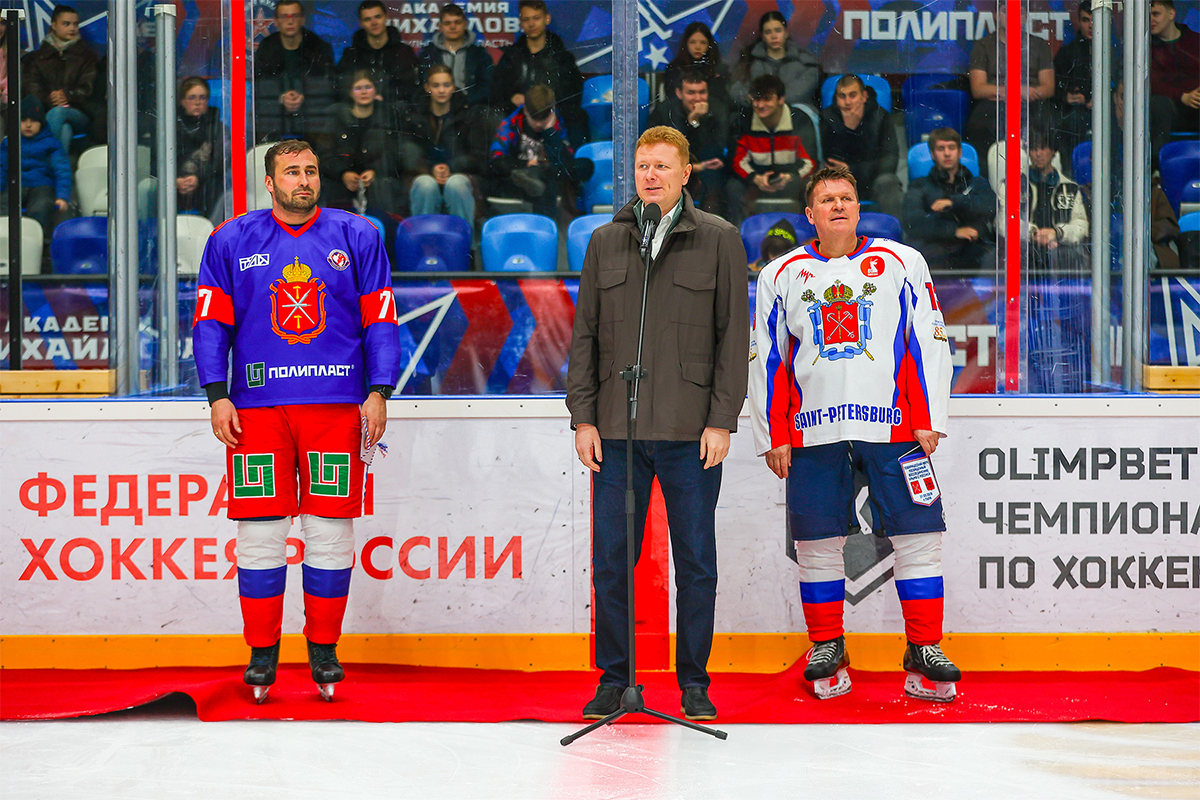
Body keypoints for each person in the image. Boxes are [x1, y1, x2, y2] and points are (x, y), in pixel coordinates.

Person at [192, 139, 401, 703]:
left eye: (310, 170)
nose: (303, 180)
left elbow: (381, 318)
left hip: (337, 407)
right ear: (270, 182)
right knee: (260, 532)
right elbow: (211, 322)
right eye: (291, 172)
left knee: (330, 530)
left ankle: (324, 650)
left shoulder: (357, 234)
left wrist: (380, 390)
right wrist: (216, 394)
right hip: (255, 409)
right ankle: (262, 654)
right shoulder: (230, 239)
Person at [748, 165, 960, 704]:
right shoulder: (780, 274)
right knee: (817, 541)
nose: (838, 206)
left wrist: (930, 417)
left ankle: (924, 647)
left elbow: (929, 339)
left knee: (919, 534)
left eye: (846, 197)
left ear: (859, 207)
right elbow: (767, 358)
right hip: (812, 432)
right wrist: (772, 433)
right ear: (809, 214)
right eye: (827, 200)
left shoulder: (901, 261)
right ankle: (827, 644)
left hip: (895, 427)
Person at [566, 125, 749, 722]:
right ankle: (614, 680)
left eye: (663, 166)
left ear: (685, 173)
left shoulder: (719, 238)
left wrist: (722, 420)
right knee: (612, 562)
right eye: (643, 165)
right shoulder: (606, 240)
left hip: (690, 432)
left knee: (696, 562)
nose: (651, 175)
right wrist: (583, 418)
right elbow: (585, 335)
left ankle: (694, 681)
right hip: (616, 432)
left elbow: (733, 338)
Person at [966, 13, 1055, 172]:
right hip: (996, 102)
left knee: (1051, 121)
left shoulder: (1038, 45)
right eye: (1005, 11)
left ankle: (1042, 176)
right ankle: (987, 177)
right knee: (979, 123)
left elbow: (1048, 88)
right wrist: (1014, 91)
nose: (1013, 15)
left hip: (1031, 102)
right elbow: (978, 89)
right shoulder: (983, 45)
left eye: (1019, 12)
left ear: (1025, 16)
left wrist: (1027, 92)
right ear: (996, 15)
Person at [490, 0, 586, 146]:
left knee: (577, 115)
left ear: (547, 19)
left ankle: (576, 159)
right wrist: (512, 97)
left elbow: (574, 91)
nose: (531, 24)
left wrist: (546, 100)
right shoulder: (512, 55)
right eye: (526, 19)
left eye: (536, 18)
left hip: (554, 114)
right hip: (519, 115)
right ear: (521, 22)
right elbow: (496, 88)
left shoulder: (561, 56)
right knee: (490, 114)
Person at [488, 84, 590, 219]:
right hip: (523, 176)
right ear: (525, 110)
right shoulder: (511, 123)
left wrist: (549, 131)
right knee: (538, 183)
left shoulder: (565, 121)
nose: (538, 124)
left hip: (554, 176)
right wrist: (525, 164)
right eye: (534, 119)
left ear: (552, 110)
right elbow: (496, 159)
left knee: (583, 166)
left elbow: (567, 164)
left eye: (543, 120)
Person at [315, 70, 402, 228]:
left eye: (368, 87)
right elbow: (325, 154)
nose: (363, 92)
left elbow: (395, 152)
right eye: (358, 88)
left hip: (378, 182)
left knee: (384, 189)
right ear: (350, 92)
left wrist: (375, 171)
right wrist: (343, 173)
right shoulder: (336, 119)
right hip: (340, 184)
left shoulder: (387, 118)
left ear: (376, 91)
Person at [903, 127, 996, 271]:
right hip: (936, 251)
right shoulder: (919, 185)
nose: (947, 153)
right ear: (933, 154)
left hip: (974, 250)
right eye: (941, 148)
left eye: (951, 148)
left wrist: (953, 202)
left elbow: (990, 206)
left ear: (959, 152)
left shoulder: (978, 183)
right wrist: (954, 231)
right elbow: (913, 222)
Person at [404, 64, 485, 229]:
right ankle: (423, 240)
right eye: (436, 85)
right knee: (425, 185)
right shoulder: (415, 116)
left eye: (446, 85)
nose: (441, 90)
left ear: (454, 87)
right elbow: (407, 153)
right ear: (427, 88)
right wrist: (430, 168)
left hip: (460, 173)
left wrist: (451, 167)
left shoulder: (468, 115)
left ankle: (463, 242)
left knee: (456, 184)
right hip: (425, 173)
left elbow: (478, 156)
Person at [727, 74, 816, 224]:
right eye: (756, 99)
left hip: (791, 182)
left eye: (767, 99)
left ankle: (807, 231)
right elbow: (735, 161)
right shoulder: (743, 121)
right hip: (755, 183)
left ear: (781, 99)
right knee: (733, 187)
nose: (760, 105)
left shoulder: (800, 120)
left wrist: (790, 177)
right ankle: (738, 233)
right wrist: (756, 178)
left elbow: (810, 162)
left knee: (810, 186)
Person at [646, 67, 730, 214]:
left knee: (715, 180)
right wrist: (691, 123)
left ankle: (711, 222)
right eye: (691, 93)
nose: (697, 98)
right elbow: (656, 149)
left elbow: (717, 150)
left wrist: (697, 124)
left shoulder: (718, 110)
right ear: (679, 93)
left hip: (707, 169)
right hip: (674, 169)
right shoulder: (665, 111)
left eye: (702, 92)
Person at [819, 74, 902, 218]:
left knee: (889, 181)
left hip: (873, 182)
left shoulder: (881, 116)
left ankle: (893, 229)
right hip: (840, 182)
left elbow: (889, 162)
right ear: (836, 98)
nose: (847, 102)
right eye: (842, 96)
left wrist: (852, 169)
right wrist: (847, 129)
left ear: (864, 97)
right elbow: (832, 161)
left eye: (853, 95)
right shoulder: (828, 118)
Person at [21, 4, 100, 153]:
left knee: (58, 113)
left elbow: (88, 89)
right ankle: (57, 166)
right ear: (54, 25)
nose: (72, 28)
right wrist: (50, 98)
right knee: (65, 130)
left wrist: (66, 96)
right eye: (66, 24)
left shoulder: (87, 56)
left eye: (75, 24)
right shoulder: (37, 57)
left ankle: (39, 159)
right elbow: (32, 89)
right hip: (45, 111)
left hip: (79, 112)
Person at [0, 97, 71, 262]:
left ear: (42, 123)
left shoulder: (51, 144)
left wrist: (62, 196)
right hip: (15, 184)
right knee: (4, 203)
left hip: (42, 185)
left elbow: (62, 171)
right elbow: (2, 168)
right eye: (23, 120)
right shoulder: (9, 143)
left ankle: (40, 245)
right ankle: (4, 242)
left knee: (42, 205)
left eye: (33, 121)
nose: (28, 125)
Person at [253, 0, 336, 143]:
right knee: (261, 111)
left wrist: (304, 96)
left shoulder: (318, 47)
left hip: (311, 111)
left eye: (294, 16)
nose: (290, 21)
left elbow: (328, 85)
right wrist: (281, 97)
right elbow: (260, 84)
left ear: (303, 19)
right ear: (276, 21)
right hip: (276, 111)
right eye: (284, 16)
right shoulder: (267, 48)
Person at [336, 0, 420, 112]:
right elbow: (343, 88)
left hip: (395, 113)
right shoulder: (351, 55)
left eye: (378, 17)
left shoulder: (404, 52)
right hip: (360, 113)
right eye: (367, 19)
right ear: (361, 23)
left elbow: (411, 89)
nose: (374, 23)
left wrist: (383, 100)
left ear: (386, 17)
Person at [730, 11, 820, 110]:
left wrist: (766, 101)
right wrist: (749, 98)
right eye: (768, 32)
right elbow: (736, 90)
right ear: (762, 36)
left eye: (778, 31)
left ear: (786, 33)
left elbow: (800, 93)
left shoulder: (805, 62)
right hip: (759, 111)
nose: (774, 36)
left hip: (796, 113)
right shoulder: (750, 62)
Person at [419, 3, 494, 108]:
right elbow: (423, 85)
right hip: (437, 108)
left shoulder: (480, 55)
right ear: (440, 26)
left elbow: (486, 86)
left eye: (457, 22)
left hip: (470, 107)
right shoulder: (428, 54)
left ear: (465, 24)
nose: (453, 27)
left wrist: (465, 102)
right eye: (447, 23)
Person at [176, 77, 230, 217]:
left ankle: (214, 229)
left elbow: (220, 163)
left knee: (220, 188)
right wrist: (174, 181)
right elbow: (158, 161)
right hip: (174, 183)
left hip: (207, 185)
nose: (197, 102)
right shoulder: (170, 127)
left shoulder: (218, 128)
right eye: (192, 97)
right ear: (182, 101)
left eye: (202, 98)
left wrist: (198, 178)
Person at [1150, 0, 1200, 133]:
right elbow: (1152, 82)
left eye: (1155, 14)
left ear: (1171, 14)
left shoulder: (1196, 41)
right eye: (1147, 15)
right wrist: (1182, 96)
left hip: (1196, 103)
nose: (1150, 20)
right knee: (1159, 104)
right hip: (1170, 109)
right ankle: (1159, 148)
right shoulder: (1145, 47)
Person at [662, 22, 729, 108]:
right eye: (692, 42)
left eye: (703, 42)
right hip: (682, 113)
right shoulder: (674, 69)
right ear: (686, 44)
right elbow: (672, 101)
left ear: (709, 45)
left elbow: (722, 102)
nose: (698, 47)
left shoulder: (719, 69)